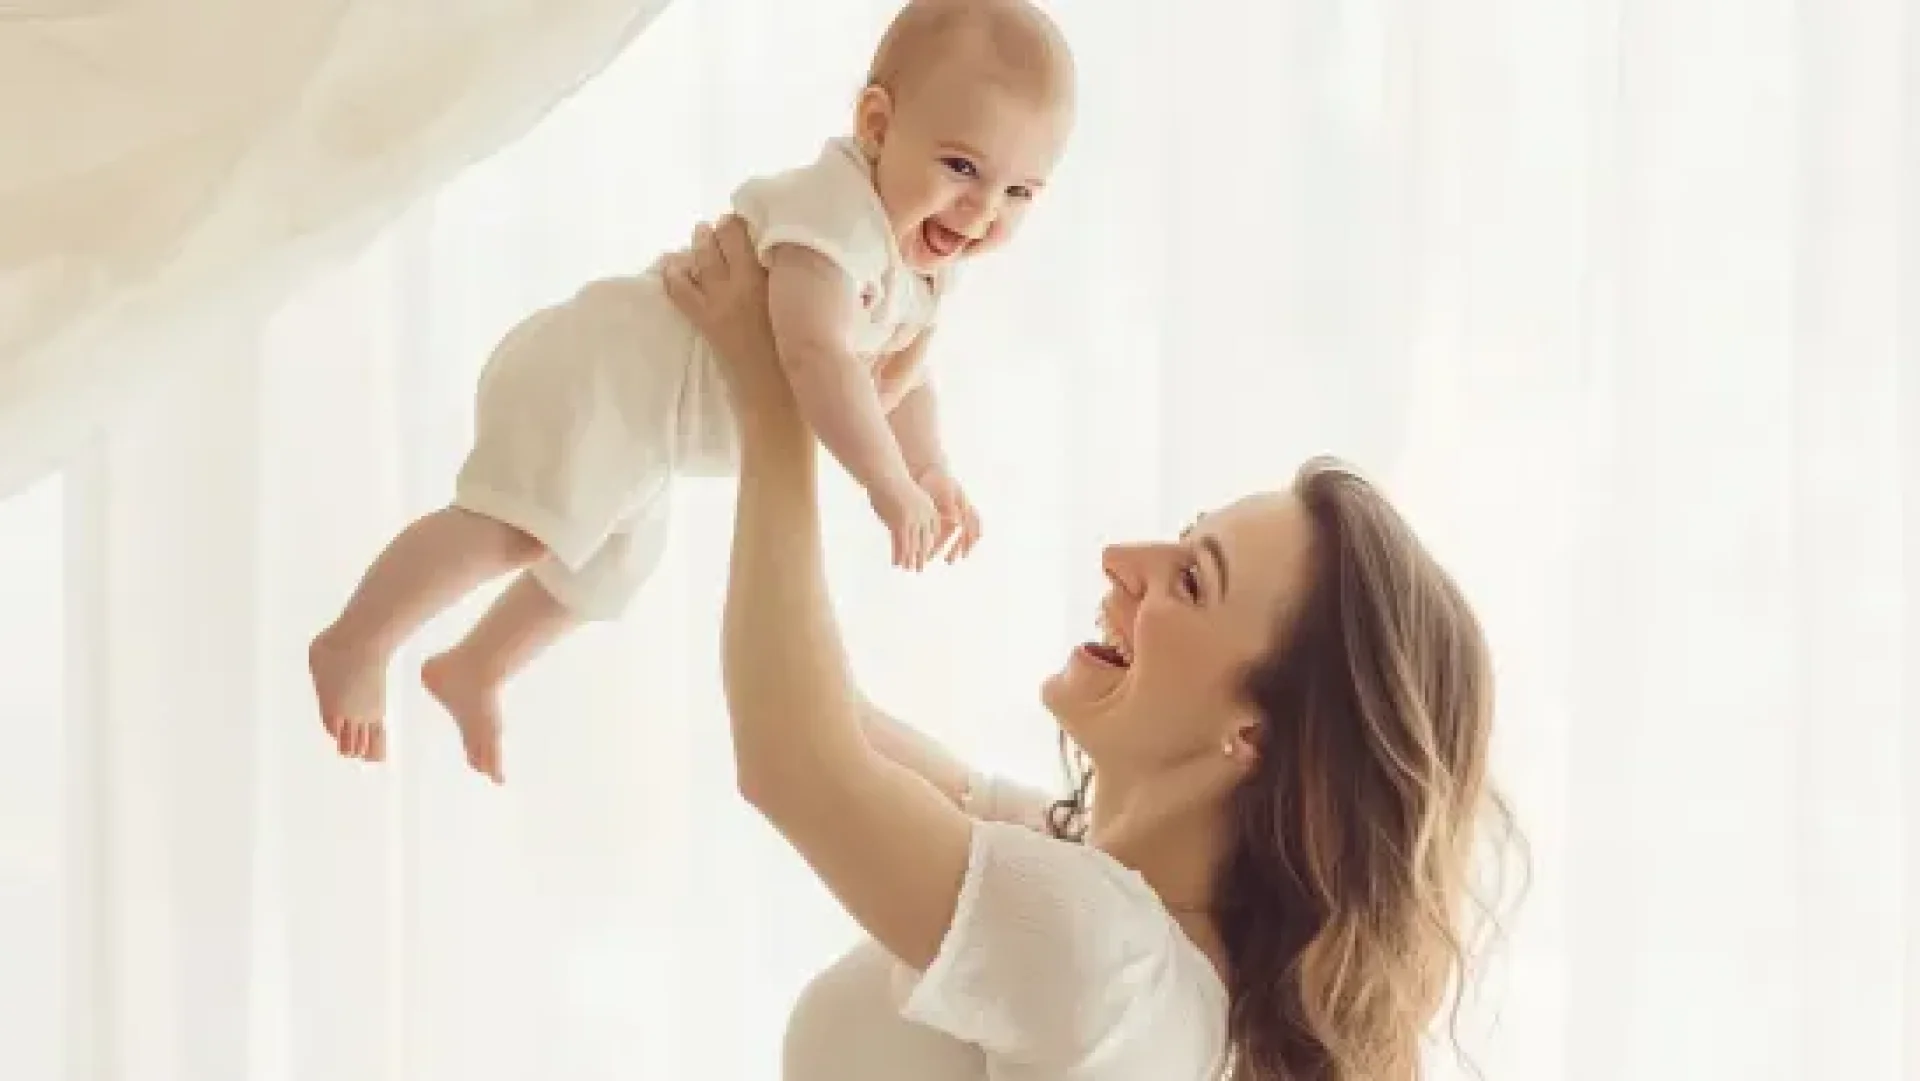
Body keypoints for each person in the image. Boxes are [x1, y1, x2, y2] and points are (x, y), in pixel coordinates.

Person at [662, 215, 1521, 1081]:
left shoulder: (1103, 957)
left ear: (1251, 734)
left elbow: (795, 761)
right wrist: (841, 366)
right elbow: (824, 710)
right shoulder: (1096, 885)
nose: (1122, 560)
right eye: (1183, 539)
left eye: (1192, 580)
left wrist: (773, 398)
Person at [307, 0, 1076, 782]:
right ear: (877, 125)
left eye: (1020, 192)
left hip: (653, 430)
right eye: (962, 168)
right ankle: (357, 640)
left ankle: (476, 665)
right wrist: (886, 482)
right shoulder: (838, 216)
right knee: (516, 530)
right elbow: (816, 355)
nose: (983, 211)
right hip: (608, 376)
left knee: (607, 570)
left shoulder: (921, 265)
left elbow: (901, 381)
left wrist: (930, 467)